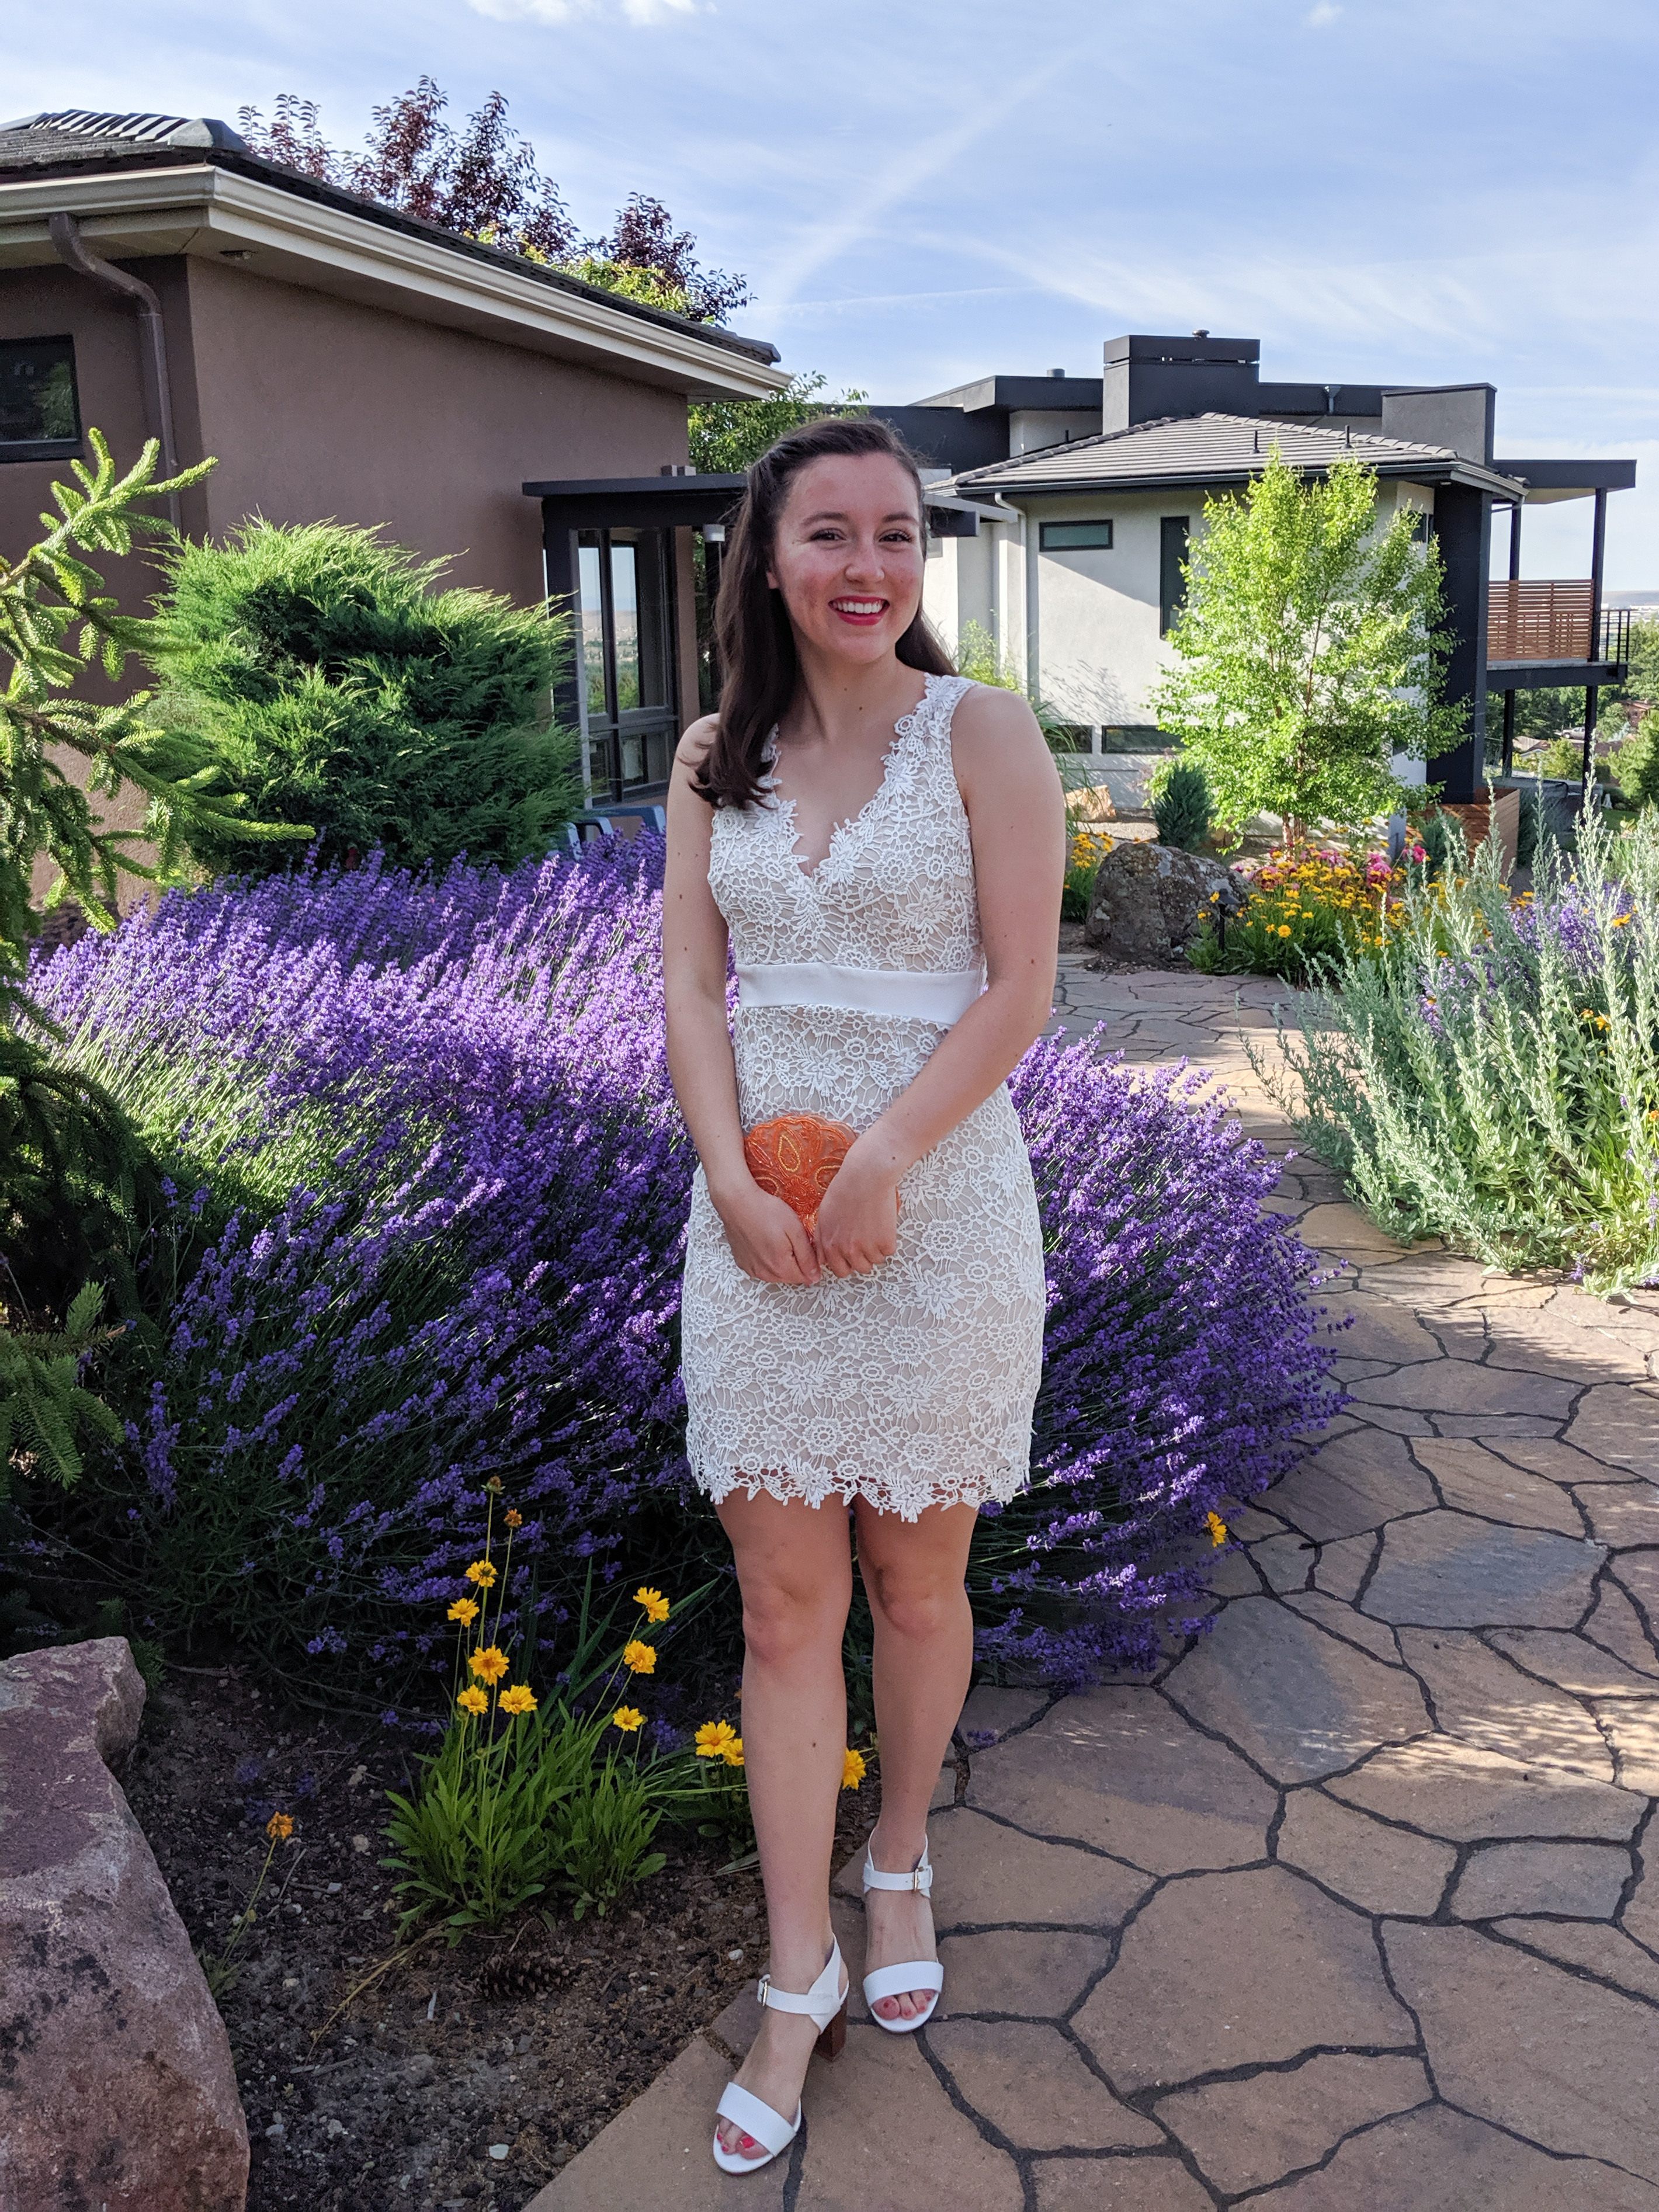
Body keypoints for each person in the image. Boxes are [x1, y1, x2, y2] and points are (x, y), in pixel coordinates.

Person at [662, 415, 1063, 2173]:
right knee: (777, 1604)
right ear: (764, 554)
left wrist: (888, 1155)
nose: (867, 568)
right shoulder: (707, 755)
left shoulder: (983, 731)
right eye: (830, 534)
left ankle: (897, 1851)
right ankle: (795, 1965)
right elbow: (690, 991)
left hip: (938, 1202)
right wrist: (734, 1175)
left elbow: (1023, 989)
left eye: (898, 534)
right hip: (755, 1214)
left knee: (915, 1580)